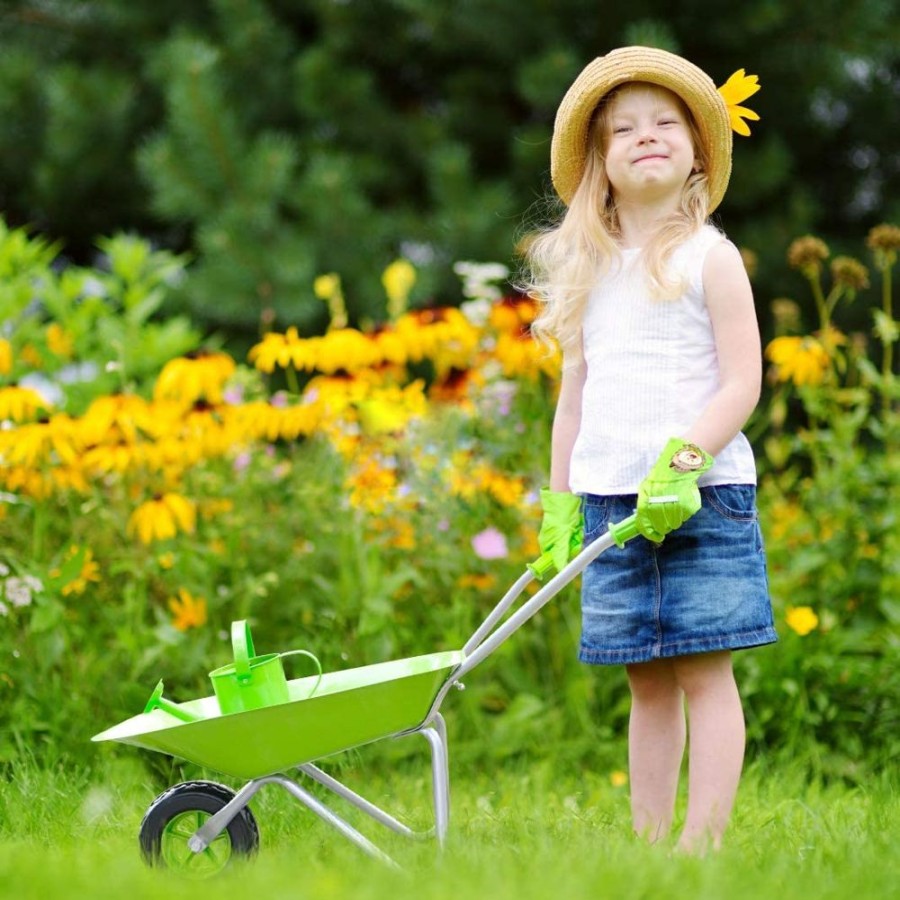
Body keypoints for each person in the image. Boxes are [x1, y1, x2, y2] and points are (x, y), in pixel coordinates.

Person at [521, 46, 777, 853]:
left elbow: (743, 384)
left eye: (666, 122)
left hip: (701, 500)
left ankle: (698, 846)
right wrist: (560, 501)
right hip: (610, 504)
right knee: (646, 678)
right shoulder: (588, 270)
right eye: (623, 128)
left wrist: (686, 461)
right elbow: (575, 400)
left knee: (705, 669)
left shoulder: (712, 258)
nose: (646, 136)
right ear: (598, 160)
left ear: (698, 150)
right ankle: (645, 843)